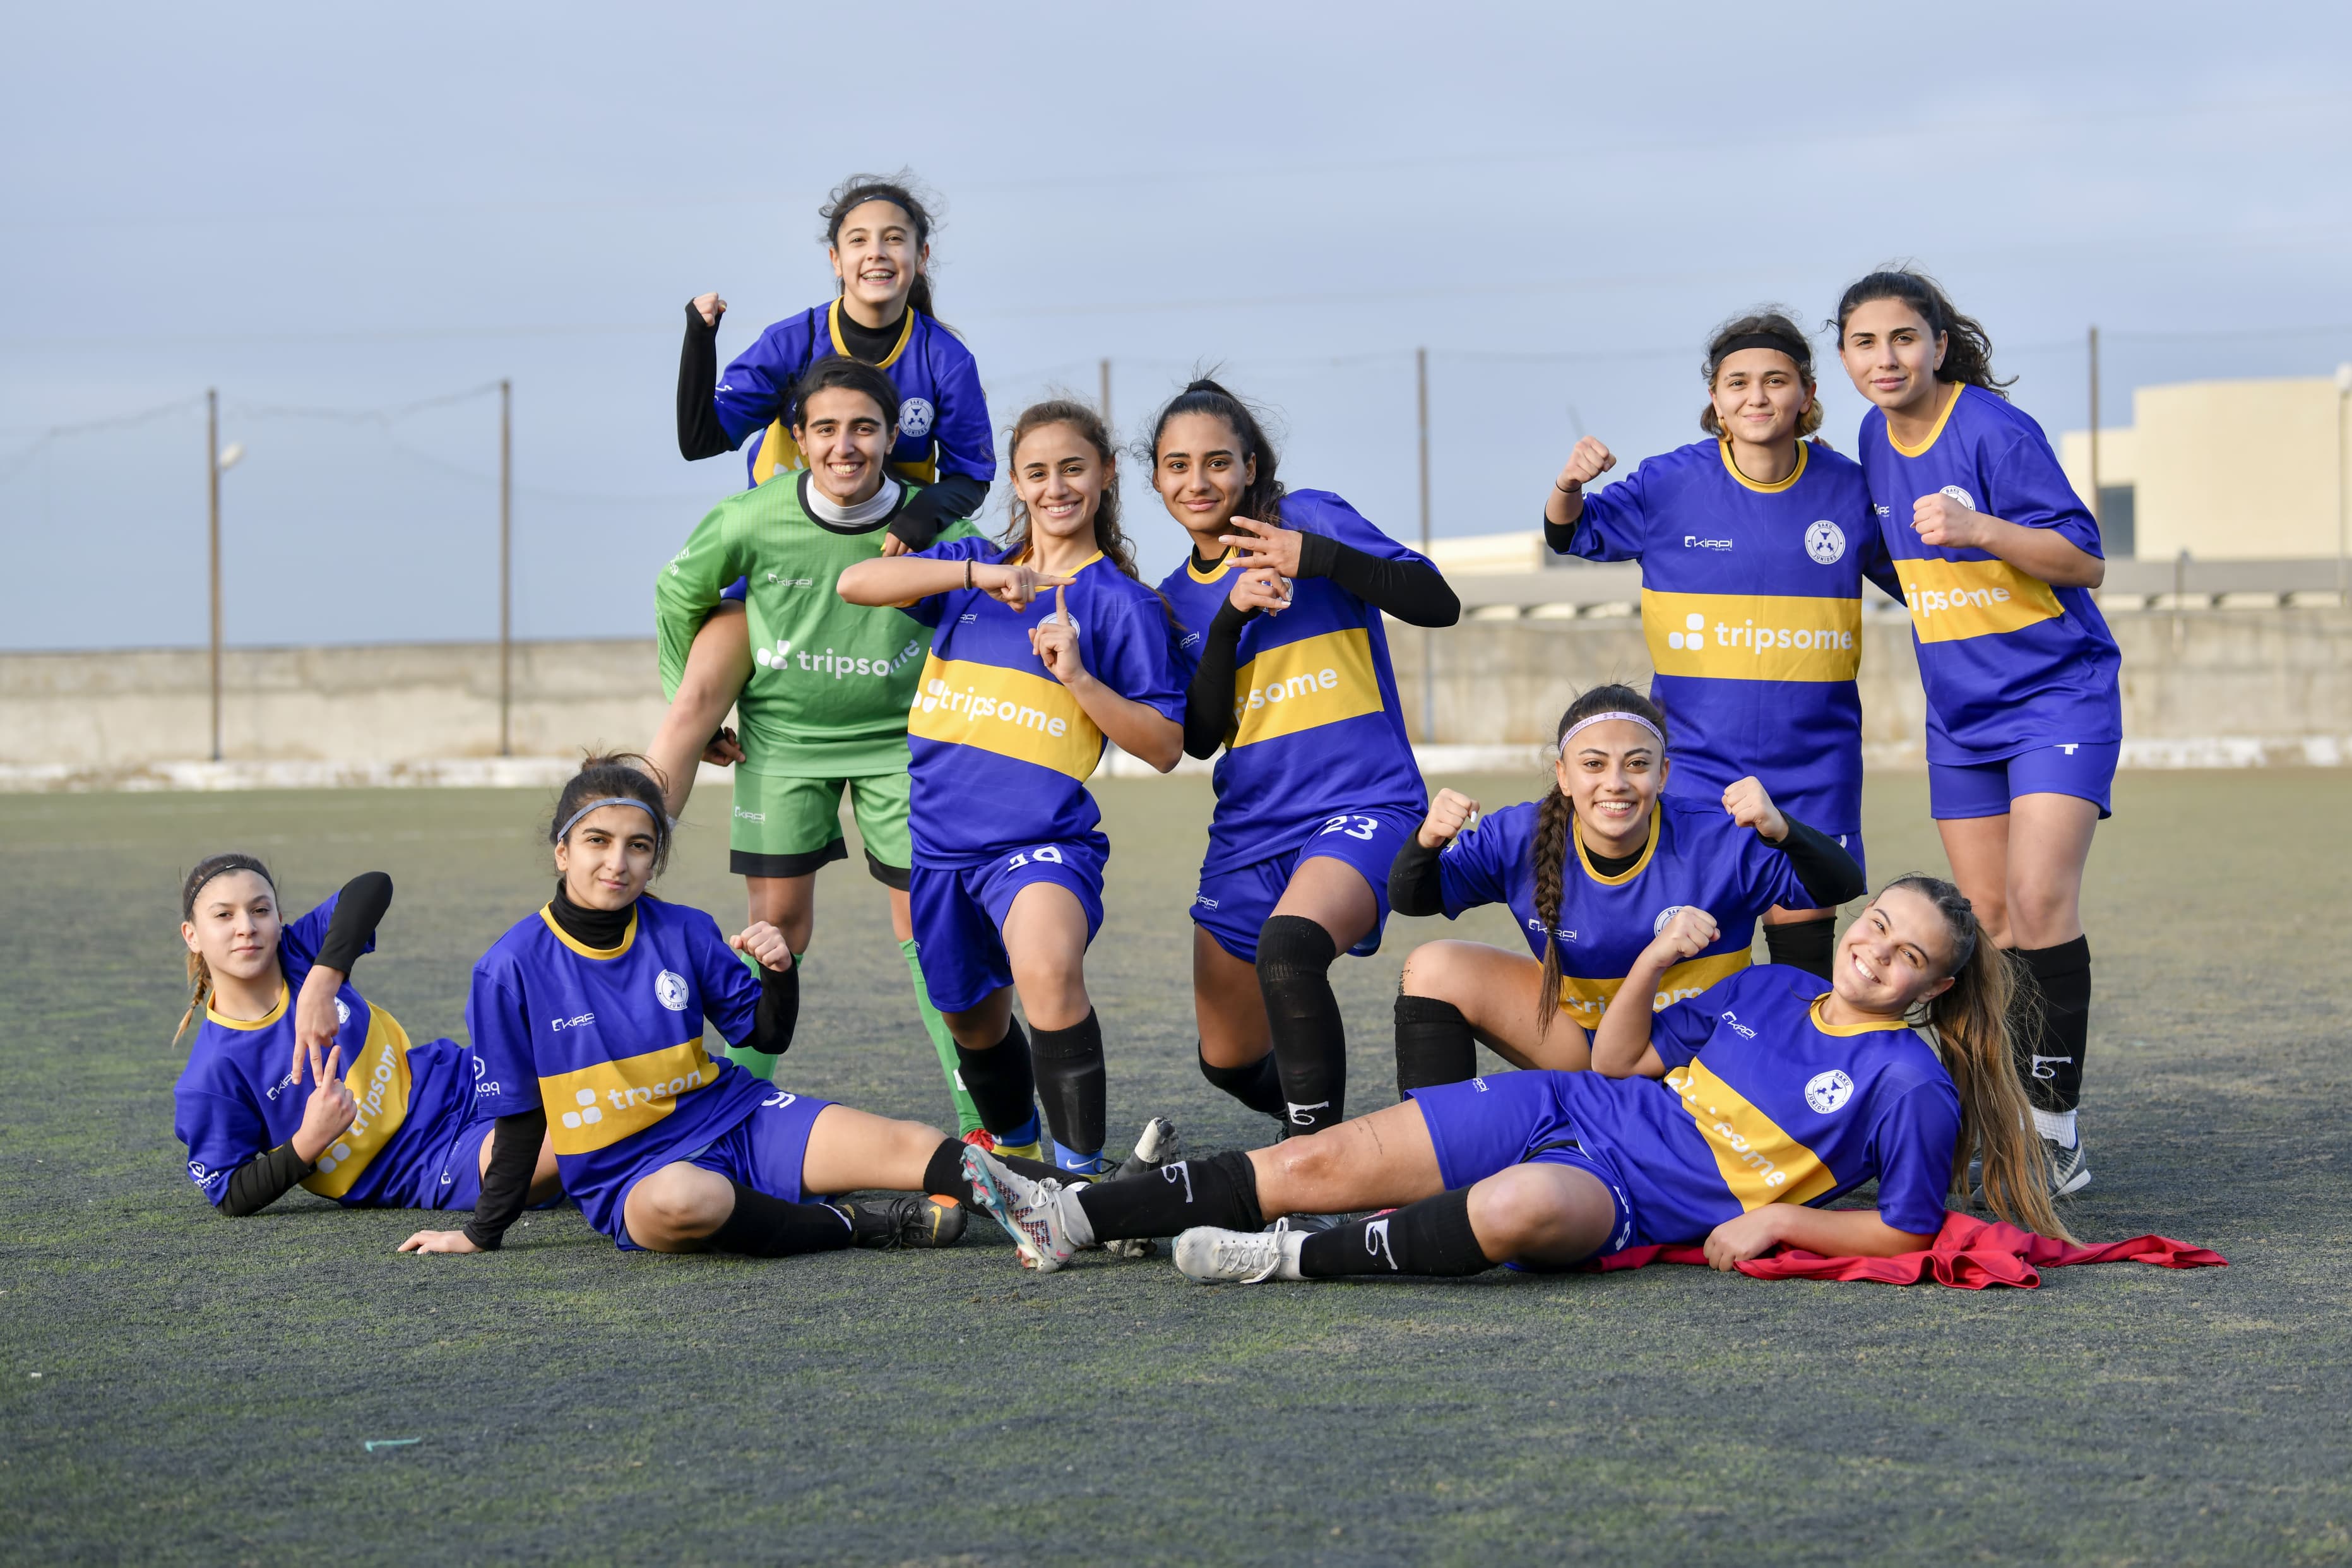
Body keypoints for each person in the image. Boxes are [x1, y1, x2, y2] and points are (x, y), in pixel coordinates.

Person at [961, 875, 2069, 1281]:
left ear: (1929, 989)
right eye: (1877, 924)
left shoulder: (1909, 1080)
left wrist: (1779, 1214)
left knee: (1519, 1209)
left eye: (1907, 952)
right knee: (1312, 1156)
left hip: (1631, 1193)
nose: (1875, 948)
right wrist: (1651, 962)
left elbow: (1907, 1230)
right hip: (1571, 1100)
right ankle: (1072, 1215)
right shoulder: (1776, 989)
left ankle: (1287, 1260)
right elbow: (1620, 1056)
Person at [395, 756, 1040, 1259]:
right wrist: (481, 1233)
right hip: (630, 1173)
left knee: (914, 1144)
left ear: (656, 859)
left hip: (735, 1116)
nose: (617, 863)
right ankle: (854, 1223)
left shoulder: (683, 929)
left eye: (639, 846)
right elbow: (520, 1124)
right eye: (597, 841)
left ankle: (1089, 1206)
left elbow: (766, 1035)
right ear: (563, 851)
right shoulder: (509, 968)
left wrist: (780, 972)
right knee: (685, 1202)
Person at [836, 400, 1185, 1175]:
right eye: (1037, 472)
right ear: (1018, 486)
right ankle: (1023, 1158)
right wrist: (980, 572)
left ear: (1104, 475)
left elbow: (1165, 748)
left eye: (1073, 468)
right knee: (970, 1022)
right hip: (940, 851)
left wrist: (1081, 678)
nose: (1056, 486)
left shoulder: (1121, 605)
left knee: (1048, 970)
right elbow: (857, 582)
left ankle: (1082, 1183)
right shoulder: (968, 571)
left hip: (1041, 845)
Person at [1832, 267, 2121, 1197]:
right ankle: (1982, 1114)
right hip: (1960, 714)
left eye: (1903, 339)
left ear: (1937, 345)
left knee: (2038, 909)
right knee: (1984, 926)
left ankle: (2054, 1131)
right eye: (1865, 343)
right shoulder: (1872, 438)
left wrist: (1977, 527)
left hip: (2056, 697)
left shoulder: (1995, 430)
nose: (1886, 359)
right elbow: (1899, 565)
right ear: (1844, 358)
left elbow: (2083, 559)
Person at [652, 355, 984, 1138]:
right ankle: (725, 1118)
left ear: (889, 434)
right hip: (784, 746)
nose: (846, 446)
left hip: (902, 751)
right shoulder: (752, 518)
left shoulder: (938, 528)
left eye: (864, 428)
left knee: (934, 931)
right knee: (777, 930)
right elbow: (678, 593)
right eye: (826, 429)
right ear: (799, 440)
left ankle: (986, 1123)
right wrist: (686, 703)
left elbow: (986, 614)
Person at [1150, 378, 1460, 1140]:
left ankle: (1311, 1167)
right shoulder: (1168, 599)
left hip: (1366, 804)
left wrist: (1316, 557)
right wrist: (1227, 619)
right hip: (1251, 828)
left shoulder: (1312, 516)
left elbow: (1437, 601)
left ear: (1251, 467)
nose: (1199, 482)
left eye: (1218, 462)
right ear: (1156, 478)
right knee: (1226, 1058)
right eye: (1178, 466)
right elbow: (1196, 737)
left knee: (1290, 950)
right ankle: (1348, 1142)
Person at [1543, 310, 1894, 982]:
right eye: (1737, 383)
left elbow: (1923, 584)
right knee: (1703, 938)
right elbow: (1570, 534)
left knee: (1803, 955)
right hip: (1700, 763)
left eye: (1775, 381)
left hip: (1816, 760)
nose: (1756, 397)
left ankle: (1794, 1078)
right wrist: (1567, 485)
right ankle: (1695, 1082)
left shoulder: (1849, 489)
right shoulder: (1670, 483)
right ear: (1715, 399)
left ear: (1808, 395)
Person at [653, 174, 992, 854]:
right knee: (691, 706)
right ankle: (626, 869)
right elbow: (701, 439)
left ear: (920, 259)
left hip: (887, 571)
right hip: (780, 573)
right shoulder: (793, 341)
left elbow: (971, 474)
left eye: (894, 239)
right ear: (834, 259)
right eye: (858, 240)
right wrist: (699, 336)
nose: (877, 253)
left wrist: (917, 524)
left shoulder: (943, 357)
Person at [1387, 684, 1864, 1094]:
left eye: (1636, 764)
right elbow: (1413, 899)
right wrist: (1425, 842)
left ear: (1663, 775)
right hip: (1576, 1042)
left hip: (1690, 1048)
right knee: (1433, 968)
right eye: (1593, 764)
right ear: (1564, 776)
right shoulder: (1518, 836)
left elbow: (1840, 884)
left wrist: (1782, 828)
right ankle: (1435, 1141)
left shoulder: (1718, 840)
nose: (1615, 783)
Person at [172, 853, 559, 1215]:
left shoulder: (299, 953)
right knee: (571, 1132)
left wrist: (321, 983)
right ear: (192, 935)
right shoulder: (211, 1075)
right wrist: (310, 1139)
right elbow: (230, 1192)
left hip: (460, 1079)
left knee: (590, 1056)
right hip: (423, 1161)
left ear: (278, 917)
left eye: (260, 910)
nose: (247, 927)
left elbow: (372, 886)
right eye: (224, 915)